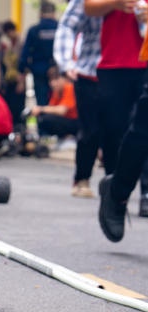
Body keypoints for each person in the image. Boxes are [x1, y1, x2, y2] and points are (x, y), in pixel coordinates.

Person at [87, 0, 148, 216]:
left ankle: (144, 194)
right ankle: (114, 187)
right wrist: (115, 3)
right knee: (114, 129)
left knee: (144, 128)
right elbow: (88, 7)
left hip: (145, 63)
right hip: (115, 63)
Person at [53, 0, 102, 199]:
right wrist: (66, 62)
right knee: (90, 130)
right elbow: (67, 25)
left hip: (129, 72)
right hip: (90, 71)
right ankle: (82, 178)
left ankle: (118, 183)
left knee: (123, 129)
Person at [19, 2, 57, 107]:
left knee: (41, 100)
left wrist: (23, 69)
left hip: (38, 71)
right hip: (57, 72)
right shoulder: (60, 28)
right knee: (57, 99)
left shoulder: (34, 30)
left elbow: (25, 53)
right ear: (54, 13)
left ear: (40, 13)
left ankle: (43, 120)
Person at [29, 67, 79, 139]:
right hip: (66, 121)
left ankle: (70, 136)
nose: (53, 83)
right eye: (51, 80)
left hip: (76, 122)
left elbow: (62, 110)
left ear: (65, 78)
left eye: (56, 79)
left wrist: (41, 109)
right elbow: (51, 108)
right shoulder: (56, 92)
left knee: (46, 119)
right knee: (42, 118)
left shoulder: (69, 87)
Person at [0, 21, 24, 125]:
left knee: (18, 105)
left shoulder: (21, 43)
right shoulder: (9, 44)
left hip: (19, 79)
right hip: (10, 79)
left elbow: (23, 63)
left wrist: (22, 82)